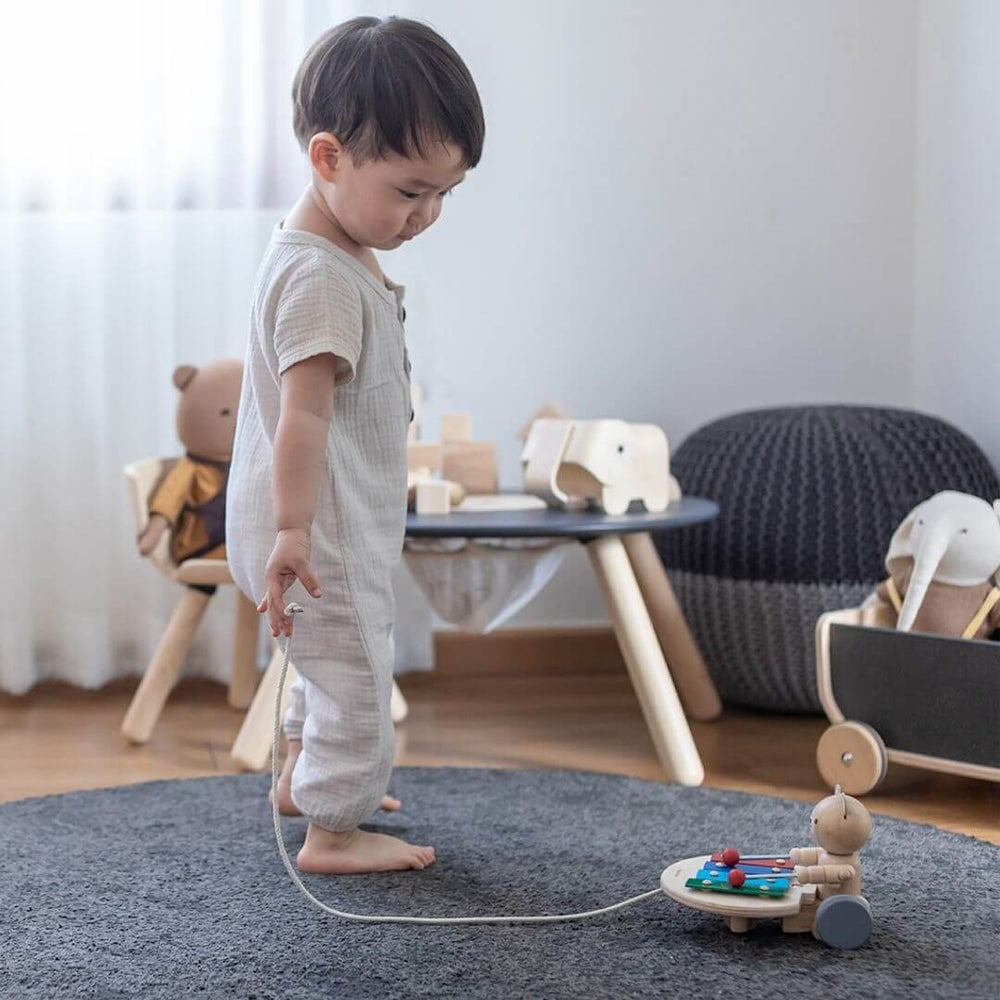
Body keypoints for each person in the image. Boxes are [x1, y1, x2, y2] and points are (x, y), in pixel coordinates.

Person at [226, 15, 484, 874]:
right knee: (362, 674)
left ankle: (305, 776)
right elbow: (302, 415)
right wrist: (296, 532)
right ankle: (335, 831)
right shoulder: (322, 277)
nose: (429, 215)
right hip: (318, 528)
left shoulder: (332, 244)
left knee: (323, 662)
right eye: (411, 191)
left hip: (320, 521)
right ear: (329, 158)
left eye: (447, 194)